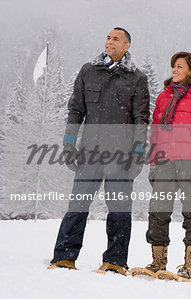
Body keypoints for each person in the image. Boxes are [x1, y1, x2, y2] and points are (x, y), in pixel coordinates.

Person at [48, 27, 150, 275]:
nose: (110, 41)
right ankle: (64, 257)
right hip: (89, 154)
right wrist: (69, 144)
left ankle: (114, 261)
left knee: (118, 210)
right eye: (108, 37)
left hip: (121, 157)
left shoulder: (136, 78)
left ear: (127, 46)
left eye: (116, 38)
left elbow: (141, 120)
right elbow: (75, 111)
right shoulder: (88, 71)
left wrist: (137, 155)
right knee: (78, 205)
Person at [145, 52, 191, 279]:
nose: (174, 70)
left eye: (179, 66)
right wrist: (154, 163)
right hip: (166, 162)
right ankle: (158, 262)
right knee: (158, 213)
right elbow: (156, 132)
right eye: (173, 66)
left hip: (190, 163)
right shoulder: (164, 98)